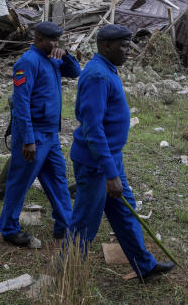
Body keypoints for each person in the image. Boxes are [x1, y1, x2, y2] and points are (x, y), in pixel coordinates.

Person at [67, 24, 175, 281]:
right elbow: (93, 129)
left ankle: (145, 266)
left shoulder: (106, 69)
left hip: (110, 160)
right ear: (106, 46)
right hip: (96, 164)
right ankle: (66, 273)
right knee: (84, 223)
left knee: (126, 214)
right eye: (124, 46)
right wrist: (109, 173)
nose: (130, 51)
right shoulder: (97, 77)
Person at [0, 21, 81, 247]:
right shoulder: (26, 63)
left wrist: (65, 55)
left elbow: (75, 72)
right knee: (20, 181)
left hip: (50, 134)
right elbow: (21, 104)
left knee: (58, 179)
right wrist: (27, 140)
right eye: (52, 40)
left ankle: (65, 225)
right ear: (38, 40)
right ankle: (8, 228)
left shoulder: (53, 58)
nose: (56, 44)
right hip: (33, 135)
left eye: (58, 40)